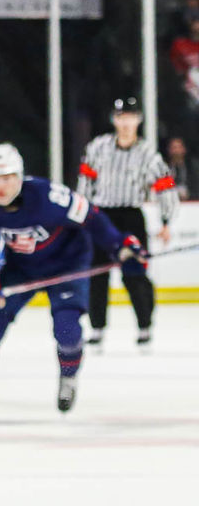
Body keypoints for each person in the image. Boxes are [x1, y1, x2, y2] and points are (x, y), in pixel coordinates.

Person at [0, 145, 146, 420]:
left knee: (67, 329)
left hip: (67, 265)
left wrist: (119, 245)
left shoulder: (49, 197)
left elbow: (92, 216)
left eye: (6, 178)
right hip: (21, 269)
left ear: (19, 177)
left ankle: (68, 376)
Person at [76, 97, 179, 350]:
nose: (125, 123)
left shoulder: (147, 154)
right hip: (101, 216)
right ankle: (97, 328)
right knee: (97, 275)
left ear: (138, 120)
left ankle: (144, 326)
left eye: (130, 117)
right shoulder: (98, 147)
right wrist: (82, 217)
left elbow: (165, 188)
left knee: (135, 274)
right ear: (114, 119)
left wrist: (166, 221)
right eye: (121, 117)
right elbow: (85, 184)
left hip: (131, 217)